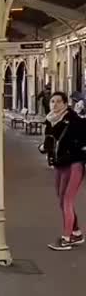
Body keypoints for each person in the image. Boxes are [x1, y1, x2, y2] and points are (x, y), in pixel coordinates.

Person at [40, 91, 86, 250]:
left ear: (66, 104)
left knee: (67, 200)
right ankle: (76, 233)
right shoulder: (50, 119)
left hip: (75, 163)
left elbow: (82, 139)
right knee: (61, 199)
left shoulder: (74, 119)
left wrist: (77, 149)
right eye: (52, 101)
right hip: (59, 163)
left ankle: (66, 238)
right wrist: (45, 148)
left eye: (59, 101)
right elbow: (48, 142)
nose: (55, 104)